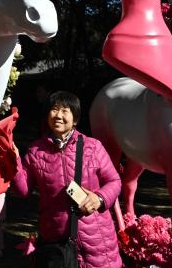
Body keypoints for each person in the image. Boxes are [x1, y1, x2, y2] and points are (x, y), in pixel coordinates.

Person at [11, 90, 122, 268]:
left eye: (65, 111)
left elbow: (114, 181)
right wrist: (14, 161)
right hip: (57, 243)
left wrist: (99, 198)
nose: (59, 116)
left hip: (97, 239)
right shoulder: (35, 152)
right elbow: (22, 190)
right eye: (54, 110)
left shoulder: (92, 147)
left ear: (75, 119)